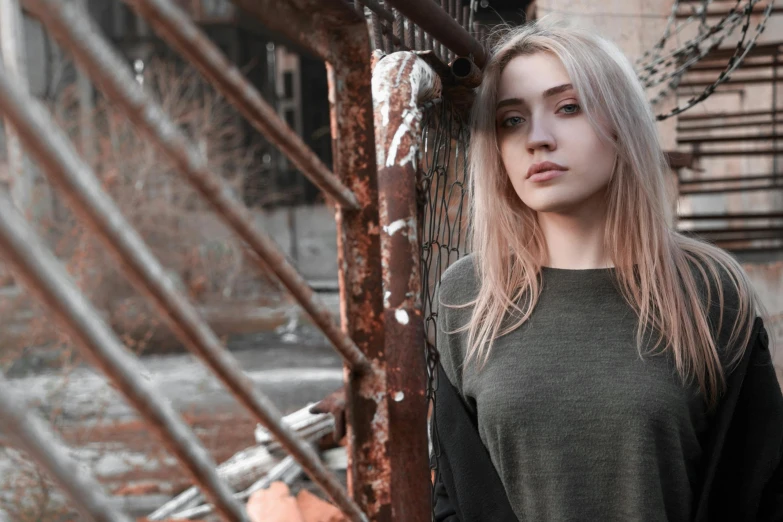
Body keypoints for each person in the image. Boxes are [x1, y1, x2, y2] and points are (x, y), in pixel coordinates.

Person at [431, 16, 783, 522]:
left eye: (568, 107)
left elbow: (759, 487)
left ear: (621, 123)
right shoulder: (467, 296)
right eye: (512, 119)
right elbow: (455, 501)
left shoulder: (709, 288)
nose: (538, 139)